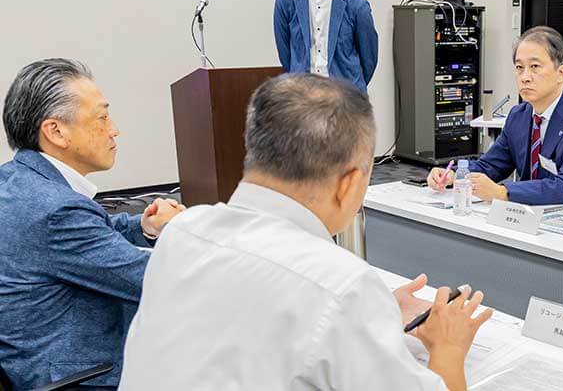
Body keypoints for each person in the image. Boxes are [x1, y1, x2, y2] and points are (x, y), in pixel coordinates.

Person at [120, 74, 492, 390]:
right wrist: (448, 347)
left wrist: (370, 318)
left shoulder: (184, 233)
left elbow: (248, 319)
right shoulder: (342, 285)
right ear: (350, 184)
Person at [0, 58, 184, 389]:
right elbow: (157, 277)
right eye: (102, 117)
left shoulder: (16, 182)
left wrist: (143, 227)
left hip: (32, 366)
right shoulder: (55, 209)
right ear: (55, 131)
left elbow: (86, 236)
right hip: (85, 379)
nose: (114, 129)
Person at [428, 26, 563, 214]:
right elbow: (492, 165)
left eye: (535, 67)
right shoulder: (518, 115)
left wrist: (503, 192)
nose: (525, 77)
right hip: (535, 217)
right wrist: (455, 175)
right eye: (519, 68)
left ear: (561, 73)